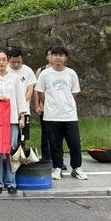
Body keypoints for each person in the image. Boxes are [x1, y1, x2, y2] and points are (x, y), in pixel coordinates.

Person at [35, 46, 88, 181]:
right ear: (50, 57)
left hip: (69, 114)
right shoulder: (45, 74)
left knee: (74, 142)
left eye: (61, 55)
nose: (58, 58)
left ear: (65, 58)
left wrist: (65, 103)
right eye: (55, 55)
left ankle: (76, 168)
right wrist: (51, 104)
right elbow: (40, 92)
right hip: (52, 115)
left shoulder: (71, 73)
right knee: (55, 143)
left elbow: (74, 92)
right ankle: (57, 168)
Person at [0, 50, 27, 195]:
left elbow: (20, 98)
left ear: (7, 61)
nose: (1, 62)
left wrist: (22, 116)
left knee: (11, 151)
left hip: (12, 119)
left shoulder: (15, 79)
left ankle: (11, 182)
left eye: (3, 59)